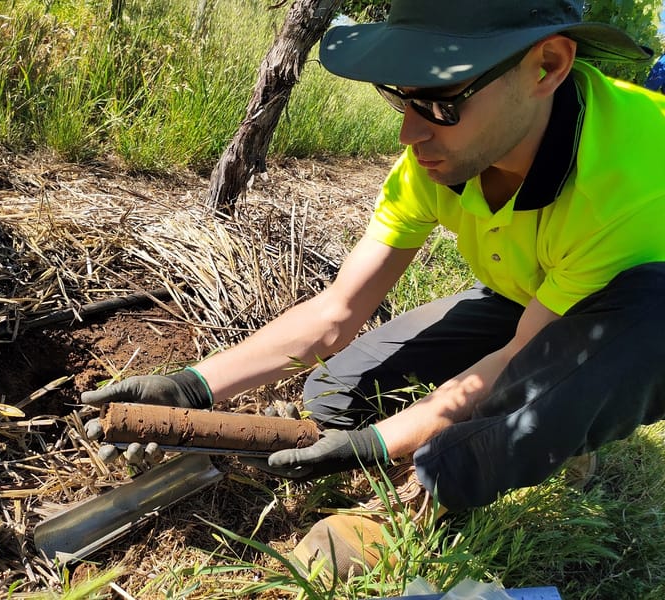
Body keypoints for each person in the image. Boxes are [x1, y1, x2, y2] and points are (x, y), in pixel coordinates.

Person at [82, 0, 665, 579]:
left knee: (576, 372)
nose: (411, 132)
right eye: (401, 97)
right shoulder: (438, 158)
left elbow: (520, 360)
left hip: (636, 312)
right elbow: (338, 310)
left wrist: (383, 445)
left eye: (440, 103)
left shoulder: (628, 183)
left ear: (547, 66)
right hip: (531, 294)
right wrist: (194, 386)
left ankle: (424, 499)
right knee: (330, 397)